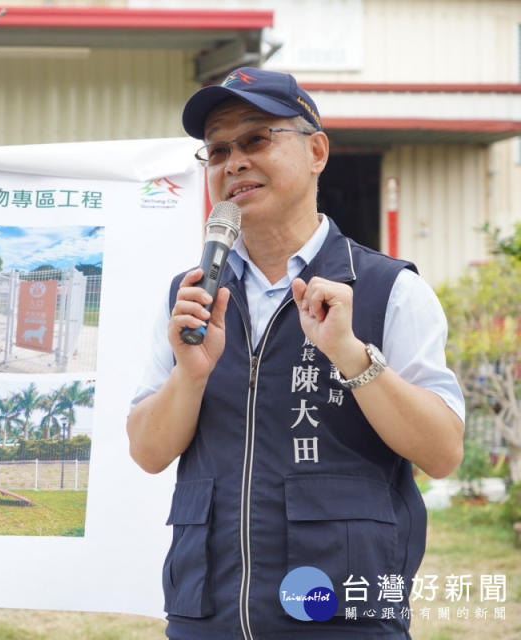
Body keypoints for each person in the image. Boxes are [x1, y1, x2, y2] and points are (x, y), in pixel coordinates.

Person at [126, 67, 465, 639]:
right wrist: (190, 377)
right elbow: (147, 451)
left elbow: (443, 453)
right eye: (216, 151)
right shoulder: (190, 298)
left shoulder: (386, 290)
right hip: (207, 616)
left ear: (316, 151)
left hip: (339, 615)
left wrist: (353, 357)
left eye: (256, 139)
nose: (233, 163)